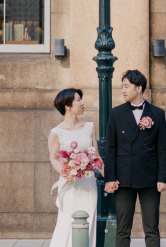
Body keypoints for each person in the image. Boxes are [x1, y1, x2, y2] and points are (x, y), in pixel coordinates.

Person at [104, 70, 166, 247]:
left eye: (126, 86)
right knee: (123, 230)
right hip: (123, 179)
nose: (123, 90)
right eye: (122, 87)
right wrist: (109, 178)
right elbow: (110, 148)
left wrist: (162, 178)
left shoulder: (157, 113)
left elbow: (162, 149)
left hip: (150, 179)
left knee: (152, 229)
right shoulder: (116, 113)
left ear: (139, 88)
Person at [48, 88, 100, 247]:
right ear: (67, 105)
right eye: (78, 100)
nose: (82, 103)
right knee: (66, 222)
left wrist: (109, 178)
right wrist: (67, 172)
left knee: (89, 220)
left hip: (88, 183)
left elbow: (96, 157)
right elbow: (54, 158)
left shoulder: (89, 127)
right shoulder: (56, 132)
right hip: (69, 184)